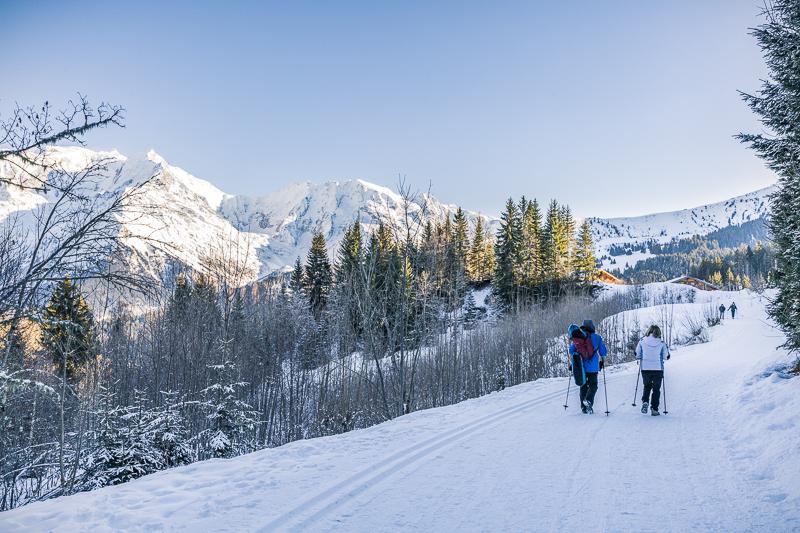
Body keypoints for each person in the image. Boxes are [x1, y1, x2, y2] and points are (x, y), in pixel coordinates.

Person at [569, 320, 607, 414]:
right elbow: (603, 352)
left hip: (581, 366)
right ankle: (589, 401)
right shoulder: (597, 337)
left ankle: (583, 408)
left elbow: (571, 350)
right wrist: (602, 360)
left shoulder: (578, 336)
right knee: (593, 385)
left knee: (583, 386)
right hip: (593, 367)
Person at [636, 325, 670, 416]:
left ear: (649, 331)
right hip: (658, 369)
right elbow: (666, 357)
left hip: (645, 368)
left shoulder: (642, 341)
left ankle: (645, 401)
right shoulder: (662, 343)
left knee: (647, 386)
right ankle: (654, 409)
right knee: (656, 389)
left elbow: (637, 355)